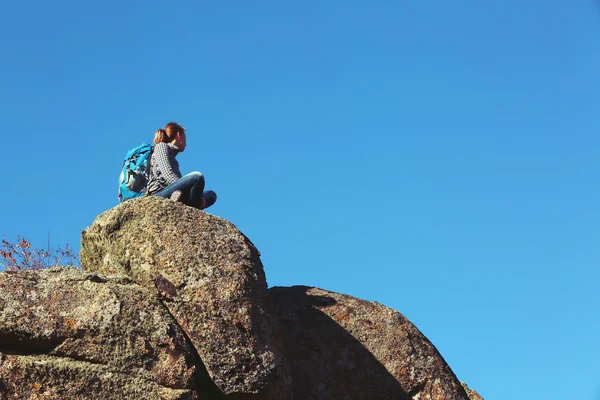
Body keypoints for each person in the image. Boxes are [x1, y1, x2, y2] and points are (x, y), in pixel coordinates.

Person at [146, 122, 217, 210]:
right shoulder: (161, 147)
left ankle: (186, 202)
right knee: (197, 177)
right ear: (179, 135)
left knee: (211, 195)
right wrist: (186, 189)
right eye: (185, 138)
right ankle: (191, 203)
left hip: (173, 191)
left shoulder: (172, 155)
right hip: (159, 193)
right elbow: (168, 174)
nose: (186, 143)